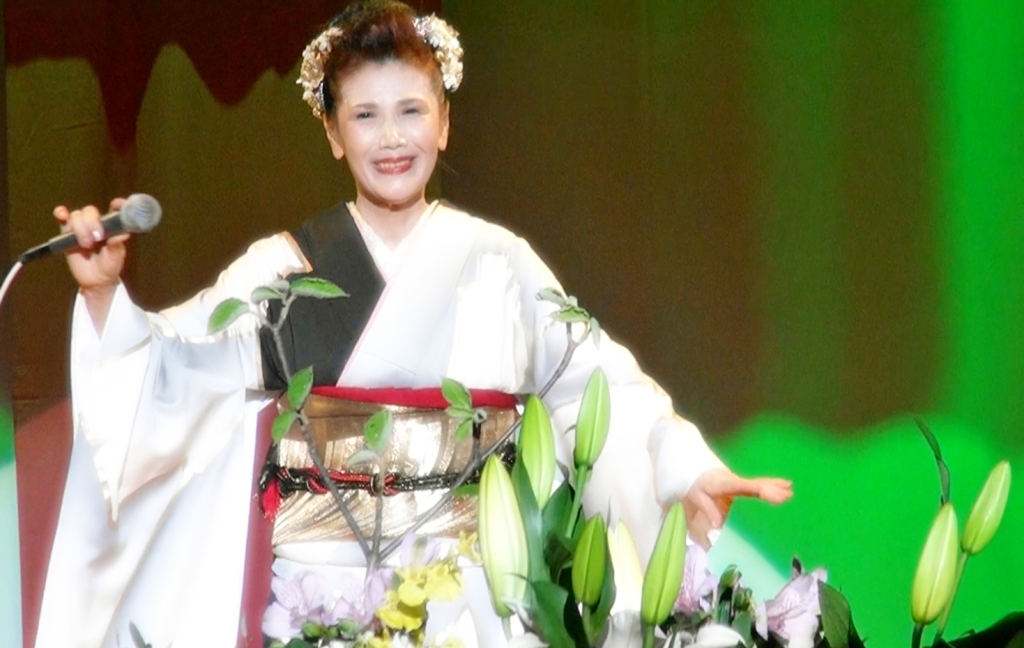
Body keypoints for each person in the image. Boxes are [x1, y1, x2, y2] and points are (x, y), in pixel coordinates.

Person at [40, 2, 792, 646]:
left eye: (411, 111)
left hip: (474, 596)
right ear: (333, 133)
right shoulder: (284, 269)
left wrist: (682, 467)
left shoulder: (501, 264)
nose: (392, 138)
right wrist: (106, 298)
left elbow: (599, 388)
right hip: (318, 599)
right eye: (365, 116)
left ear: (445, 122)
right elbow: (172, 374)